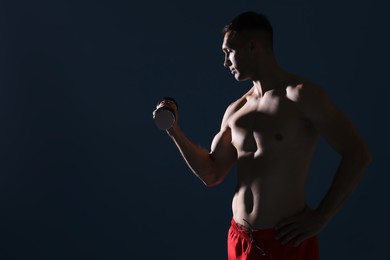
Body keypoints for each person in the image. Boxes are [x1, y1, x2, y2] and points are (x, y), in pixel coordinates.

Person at [154, 11, 372, 259]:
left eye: (229, 51)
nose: (225, 62)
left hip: (284, 241)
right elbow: (212, 173)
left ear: (253, 46)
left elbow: (358, 153)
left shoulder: (300, 96)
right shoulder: (236, 110)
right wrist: (174, 131)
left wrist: (322, 215)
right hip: (239, 239)